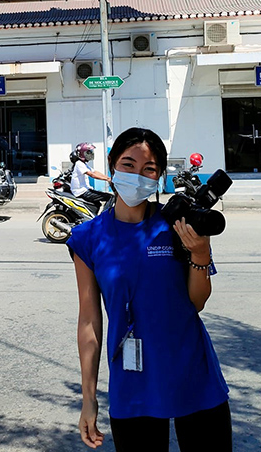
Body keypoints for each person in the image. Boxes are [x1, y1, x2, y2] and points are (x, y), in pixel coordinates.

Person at [67, 127, 231, 451]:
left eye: (149, 169)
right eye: (128, 164)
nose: (137, 175)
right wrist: (88, 398)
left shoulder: (178, 224)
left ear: (158, 177)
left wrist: (200, 253)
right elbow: (89, 322)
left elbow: (196, 302)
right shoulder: (86, 238)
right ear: (112, 165)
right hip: (132, 385)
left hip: (194, 376)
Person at [70, 142, 113, 207]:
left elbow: (95, 172)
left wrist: (108, 178)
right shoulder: (79, 164)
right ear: (82, 154)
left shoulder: (84, 164)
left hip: (85, 190)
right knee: (110, 197)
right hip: (81, 192)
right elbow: (91, 174)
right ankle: (104, 217)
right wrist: (107, 179)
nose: (91, 154)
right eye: (88, 152)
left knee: (97, 204)